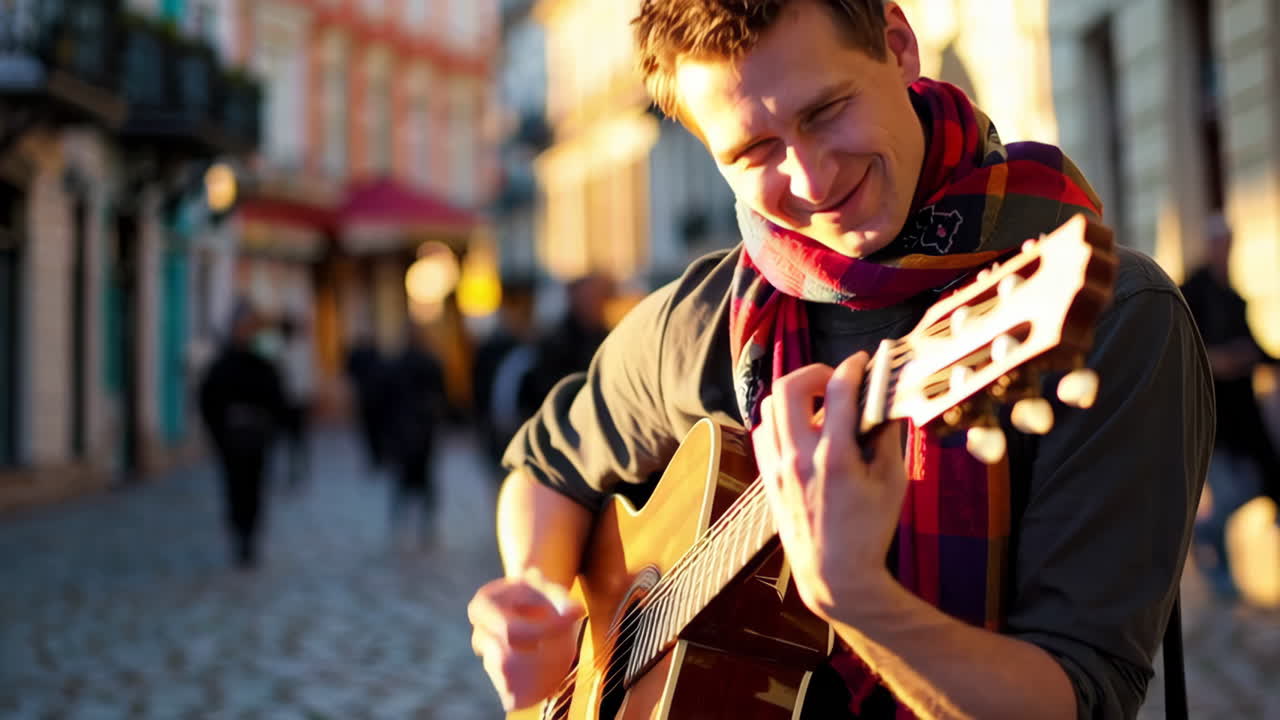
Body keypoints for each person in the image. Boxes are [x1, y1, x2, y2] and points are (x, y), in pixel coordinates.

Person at [468, 2, 1213, 718]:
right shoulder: (703, 321)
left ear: (897, 43)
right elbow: (545, 465)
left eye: (825, 111)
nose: (814, 180)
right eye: (753, 151)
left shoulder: (1110, 315)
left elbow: (1078, 700)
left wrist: (857, 597)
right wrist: (537, 597)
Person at [1180, 214, 1280, 600]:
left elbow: (1255, 348)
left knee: (1259, 484)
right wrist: (1217, 360)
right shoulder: (1192, 292)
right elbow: (1187, 351)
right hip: (1213, 418)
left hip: (1243, 417)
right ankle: (1216, 568)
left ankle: (1215, 560)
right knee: (1223, 497)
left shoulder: (1232, 296)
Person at [199, 302, 288, 568]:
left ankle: (250, 537)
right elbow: (209, 401)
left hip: (257, 438)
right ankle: (239, 533)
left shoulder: (263, 364)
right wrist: (218, 435)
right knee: (235, 488)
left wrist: (271, 429)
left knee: (255, 489)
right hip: (232, 439)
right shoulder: (223, 365)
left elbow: (276, 398)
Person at [381, 331, 447, 546]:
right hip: (422, 429)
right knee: (423, 479)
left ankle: (402, 524)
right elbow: (441, 395)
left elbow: (384, 400)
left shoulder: (396, 364)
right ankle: (423, 524)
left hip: (405, 430)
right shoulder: (429, 363)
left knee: (404, 479)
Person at [277, 313, 314, 490]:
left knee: (298, 438)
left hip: (296, 401)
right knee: (293, 439)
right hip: (290, 401)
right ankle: (295, 469)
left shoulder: (296, 351)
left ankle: (300, 469)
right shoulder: (284, 351)